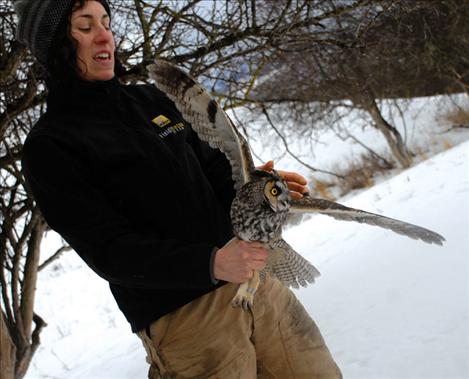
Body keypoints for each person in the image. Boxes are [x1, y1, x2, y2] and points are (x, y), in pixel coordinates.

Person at [15, 0, 342, 377]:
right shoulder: (52, 144)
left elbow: (217, 172)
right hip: (187, 318)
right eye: (84, 27)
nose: (105, 34)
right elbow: (108, 250)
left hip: (256, 282)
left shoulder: (151, 100)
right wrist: (211, 263)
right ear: (55, 45)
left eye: (105, 21)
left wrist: (260, 191)